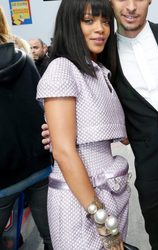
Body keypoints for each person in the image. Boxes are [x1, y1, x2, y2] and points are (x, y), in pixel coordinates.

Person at [42, 0, 158, 249]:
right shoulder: (103, 56)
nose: (130, 6)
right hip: (152, 173)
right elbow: (94, 104)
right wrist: (59, 130)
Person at [37, 0, 131, 249]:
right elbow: (64, 152)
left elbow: (123, 135)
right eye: (89, 21)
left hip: (110, 193)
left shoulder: (100, 71)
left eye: (104, 21)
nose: (100, 28)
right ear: (70, 24)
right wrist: (103, 221)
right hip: (78, 200)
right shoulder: (62, 69)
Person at [0, 8, 53, 250]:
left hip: (3, 179)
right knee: (54, 237)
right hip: (39, 166)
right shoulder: (24, 58)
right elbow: (40, 108)